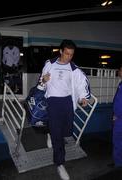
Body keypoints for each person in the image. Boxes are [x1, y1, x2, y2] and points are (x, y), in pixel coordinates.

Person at [38, 39, 91, 180]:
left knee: (66, 131)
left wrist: (83, 97)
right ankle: (60, 164)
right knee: (58, 136)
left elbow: (81, 84)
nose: (69, 57)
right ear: (61, 51)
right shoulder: (49, 64)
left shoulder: (73, 68)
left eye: (71, 55)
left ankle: (50, 131)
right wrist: (43, 80)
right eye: (67, 54)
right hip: (53, 101)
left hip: (67, 101)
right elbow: (41, 83)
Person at [113, 64, 122, 168]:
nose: (118, 71)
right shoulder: (121, 84)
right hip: (118, 117)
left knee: (118, 140)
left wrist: (118, 116)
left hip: (120, 119)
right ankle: (118, 162)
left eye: (120, 70)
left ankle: (118, 164)